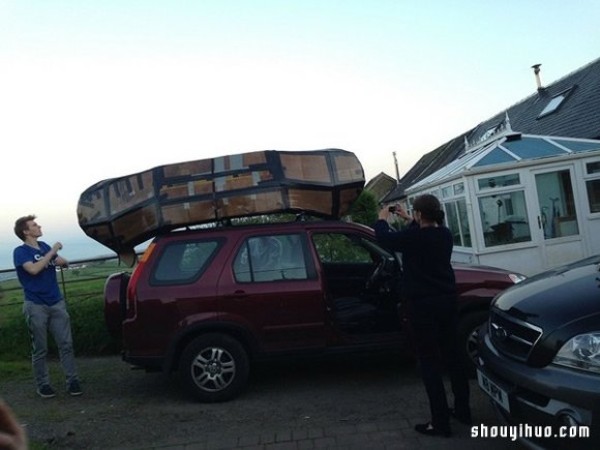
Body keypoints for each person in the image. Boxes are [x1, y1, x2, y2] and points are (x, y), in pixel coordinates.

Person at [373, 195, 470, 437]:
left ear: (418, 214)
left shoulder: (413, 238)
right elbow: (424, 232)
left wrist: (382, 219)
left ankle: (440, 424)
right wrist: (409, 218)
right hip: (447, 303)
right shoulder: (444, 235)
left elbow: (385, 238)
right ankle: (463, 411)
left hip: (422, 307)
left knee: (429, 363)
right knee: (454, 358)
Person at [13, 215, 82, 399]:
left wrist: (60, 259)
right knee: (40, 348)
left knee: (66, 344)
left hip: (56, 302)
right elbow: (33, 270)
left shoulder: (43, 247)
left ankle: (72, 381)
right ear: (26, 232)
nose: (39, 226)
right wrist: (53, 251)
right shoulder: (20, 252)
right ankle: (43, 384)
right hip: (35, 305)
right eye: (34, 225)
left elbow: (61, 261)